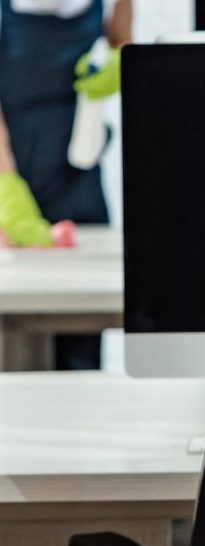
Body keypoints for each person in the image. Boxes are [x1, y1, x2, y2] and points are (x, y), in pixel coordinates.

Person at [0, 0, 128, 368]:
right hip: (14, 175)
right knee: (15, 340)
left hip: (78, 181)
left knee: (81, 342)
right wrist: (6, 186)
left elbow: (121, 41)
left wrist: (121, 64)